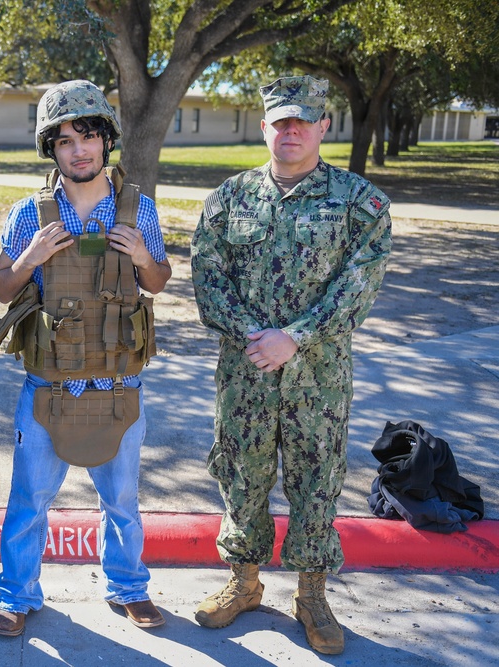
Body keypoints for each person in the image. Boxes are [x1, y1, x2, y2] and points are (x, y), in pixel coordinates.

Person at [190, 75, 392, 655]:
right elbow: (208, 277)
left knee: (316, 482)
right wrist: (258, 337)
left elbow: (360, 285)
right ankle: (244, 583)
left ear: (325, 125)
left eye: (304, 121)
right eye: (281, 121)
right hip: (245, 373)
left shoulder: (361, 202)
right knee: (241, 477)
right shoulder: (229, 199)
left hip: (318, 380)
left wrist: (295, 338)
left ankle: (311, 595)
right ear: (265, 128)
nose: (292, 130)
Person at [0, 80, 172, 637]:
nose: (79, 149)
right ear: (52, 150)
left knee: (122, 501)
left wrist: (143, 255)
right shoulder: (30, 213)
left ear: (106, 140)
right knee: (29, 502)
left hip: (118, 385)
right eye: (65, 140)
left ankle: (129, 588)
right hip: (50, 388)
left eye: (89, 135)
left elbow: (157, 283)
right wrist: (28, 258)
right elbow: (0, 288)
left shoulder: (138, 210)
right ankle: (16, 595)